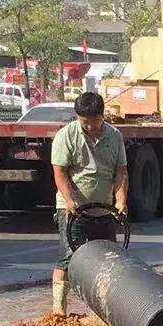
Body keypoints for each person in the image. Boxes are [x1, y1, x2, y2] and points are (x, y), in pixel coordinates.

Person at [51, 91, 128, 313]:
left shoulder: (114, 137)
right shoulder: (66, 136)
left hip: (103, 210)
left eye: (94, 121)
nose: (90, 126)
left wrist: (120, 200)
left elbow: (121, 172)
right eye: (84, 122)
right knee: (68, 256)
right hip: (73, 209)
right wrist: (69, 200)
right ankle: (59, 308)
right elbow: (60, 172)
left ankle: (107, 309)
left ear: (102, 116)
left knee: (109, 258)